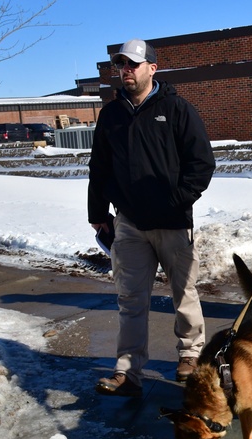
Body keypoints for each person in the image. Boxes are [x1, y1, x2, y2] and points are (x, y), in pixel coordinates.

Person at [88, 39, 216, 396]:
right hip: (129, 223)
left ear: (152, 68)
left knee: (184, 292)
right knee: (130, 299)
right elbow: (98, 166)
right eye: (122, 65)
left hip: (173, 221)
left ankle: (190, 356)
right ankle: (128, 371)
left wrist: (178, 200)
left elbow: (202, 163)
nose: (126, 71)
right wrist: (98, 212)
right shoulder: (112, 115)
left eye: (133, 65)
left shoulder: (176, 109)